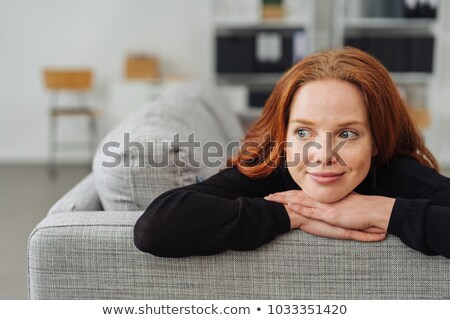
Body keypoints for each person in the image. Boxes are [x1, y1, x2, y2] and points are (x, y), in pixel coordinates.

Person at [134, 47, 450, 259]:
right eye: (303, 132)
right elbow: (156, 225)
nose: (322, 155)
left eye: (347, 133)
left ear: (377, 142)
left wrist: (383, 212)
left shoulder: (394, 172)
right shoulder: (273, 168)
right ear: (283, 137)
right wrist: (294, 214)